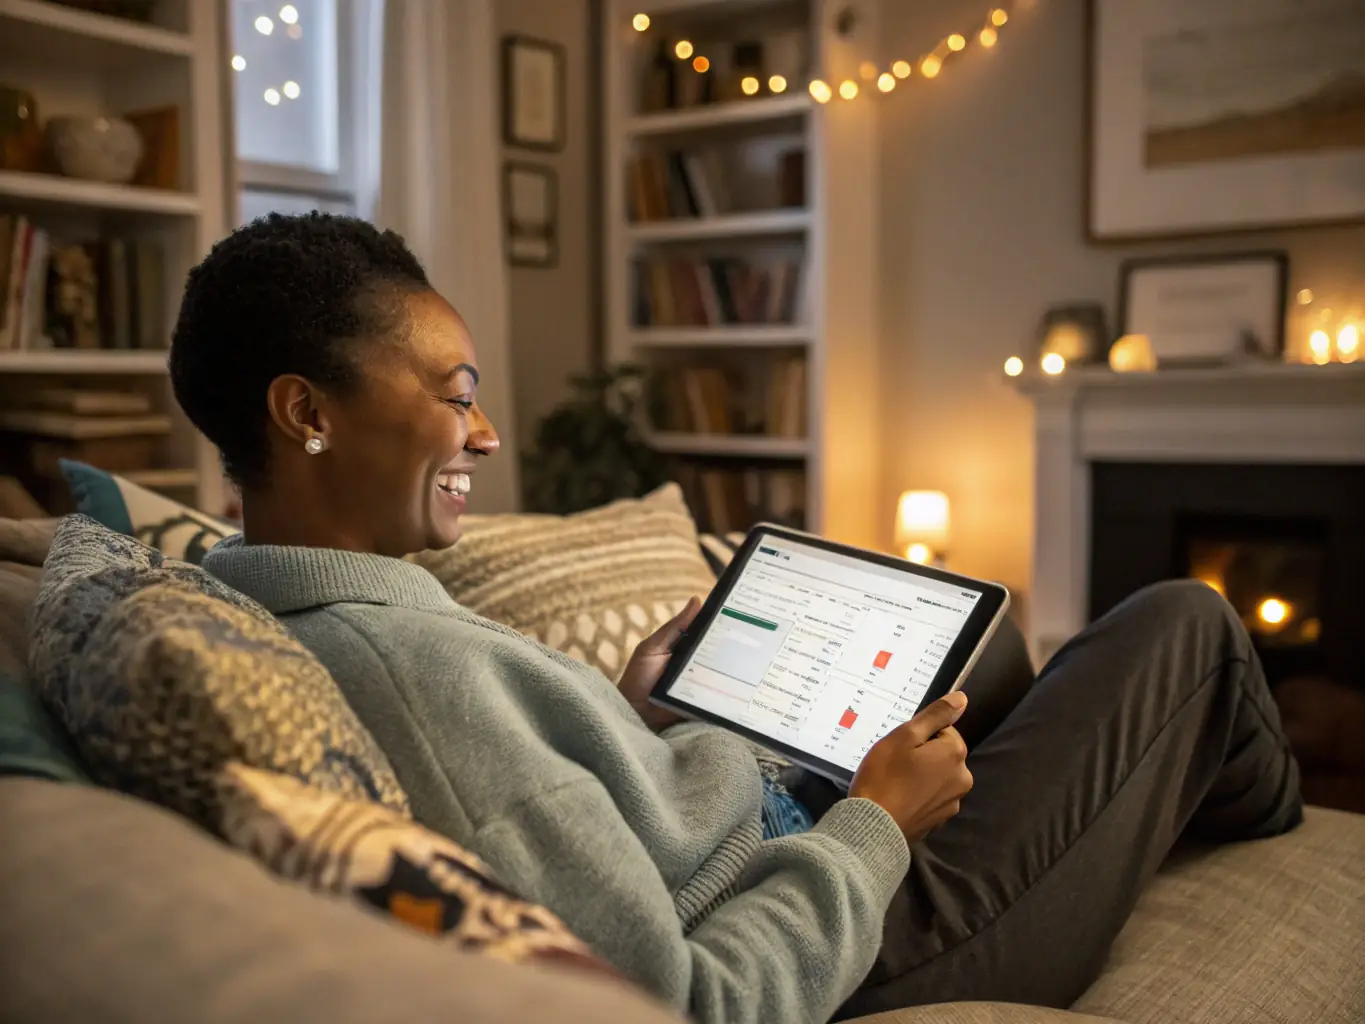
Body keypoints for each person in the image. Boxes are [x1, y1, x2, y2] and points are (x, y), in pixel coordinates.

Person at [172, 214, 1303, 1024]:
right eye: (456, 394)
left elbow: (539, 812)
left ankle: (1148, 787)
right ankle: (1266, 818)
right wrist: (872, 829)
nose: (486, 435)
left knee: (988, 645)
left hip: (763, 828)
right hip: (852, 945)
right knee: (1184, 626)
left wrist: (626, 718)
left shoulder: (290, 608)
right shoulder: (397, 668)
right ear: (306, 410)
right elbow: (695, 1001)